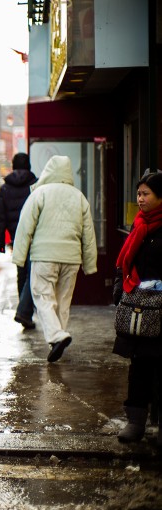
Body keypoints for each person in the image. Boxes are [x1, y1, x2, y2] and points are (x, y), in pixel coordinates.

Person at [12, 155, 98, 363]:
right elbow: (89, 234)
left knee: (42, 296)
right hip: (71, 258)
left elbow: (25, 228)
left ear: (48, 172)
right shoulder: (79, 197)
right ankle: (58, 339)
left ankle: (57, 336)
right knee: (63, 301)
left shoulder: (40, 193)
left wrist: (19, 257)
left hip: (44, 256)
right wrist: (90, 264)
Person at [112, 170, 162, 444]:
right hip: (139, 308)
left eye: (146, 194)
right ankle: (136, 421)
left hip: (161, 308)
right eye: (139, 194)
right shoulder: (139, 224)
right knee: (139, 365)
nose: (140, 200)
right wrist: (120, 288)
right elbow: (125, 261)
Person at [0, 153, 38, 329]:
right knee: (33, 272)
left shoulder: (5, 188)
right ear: (28, 165)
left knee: (21, 272)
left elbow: (0, 216)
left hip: (16, 237)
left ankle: (24, 309)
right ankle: (25, 311)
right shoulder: (34, 184)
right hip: (34, 236)